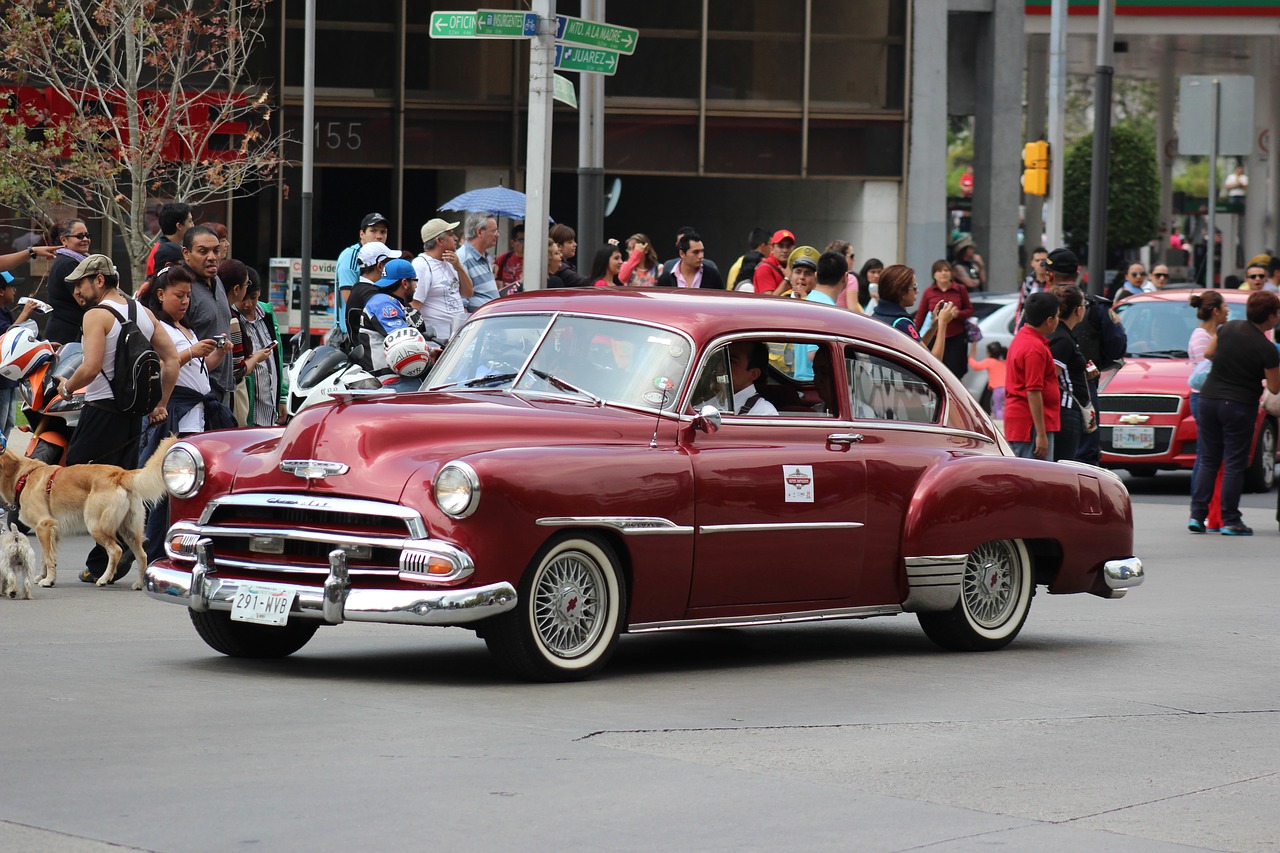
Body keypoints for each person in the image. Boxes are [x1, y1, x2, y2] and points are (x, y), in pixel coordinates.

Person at [55, 254, 179, 583]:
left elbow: (91, 366)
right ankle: (115, 553)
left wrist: (66, 387)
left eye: (81, 284)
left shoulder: (97, 315)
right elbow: (172, 361)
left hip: (100, 412)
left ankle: (106, 554)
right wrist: (159, 404)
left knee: (79, 482)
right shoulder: (143, 312)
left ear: (99, 280)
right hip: (133, 415)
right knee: (122, 486)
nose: (78, 292)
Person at [136, 264, 234, 563]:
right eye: (179, 295)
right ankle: (154, 552)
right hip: (175, 410)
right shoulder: (157, 327)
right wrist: (192, 352)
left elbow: (202, 370)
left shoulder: (186, 328)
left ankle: (182, 545)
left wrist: (217, 352)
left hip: (197, 411)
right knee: (166, 487)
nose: (184, 302)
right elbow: (166, 365)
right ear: (161, 294)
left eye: (189, 296)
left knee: (188, 486)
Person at [1189, 290, 1280, 536]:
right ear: (1270, 317)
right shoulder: (1267, 348)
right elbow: (1274, 386)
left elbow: (1208, 354)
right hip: (1239, 404)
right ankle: (1231, 519)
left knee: (1208, 459)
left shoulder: (1227, 329)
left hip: (1208, 398)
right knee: (1233, 462)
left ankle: (1197, 516)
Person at [178, 226, 234, 404]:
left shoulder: (217, 280)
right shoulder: (181, 288)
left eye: (216, 250)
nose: (212, 257)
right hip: (194, 391)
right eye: (203, 251)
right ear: (186, 253)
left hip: (223, 387)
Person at [1188, 290, 1229, 531]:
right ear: (1215, 310)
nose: (1227, 312)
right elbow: (1205, 372)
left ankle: (1203, 510)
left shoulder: (1211, 333)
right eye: (1224, 307)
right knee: (1206, 456)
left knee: (1207, 455)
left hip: (1208, 397)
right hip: (1204, 397)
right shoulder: (1203, 337)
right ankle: (1200, 510)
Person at [1004, 291, 1061, 460]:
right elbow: (1033, 391)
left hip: (1023, 423)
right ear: (1049, 320)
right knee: (1035, 481)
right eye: (1057, 315)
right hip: (1030, 425)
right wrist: (1041, 434)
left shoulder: (1022, 338)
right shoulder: (1034, 348)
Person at [1047, 285, 1093, 463]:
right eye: (1084, 304)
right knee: (1063, 464)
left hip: (1067, 410)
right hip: (1065, 411)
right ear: (1078, 310)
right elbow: (1052, 376)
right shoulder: (1062, 339)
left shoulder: (1065, 335)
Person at [871, 264, 956, 361]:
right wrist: (943, 323)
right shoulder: (900, 323)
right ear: (901, 292)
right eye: (914, 287)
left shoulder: (877, 314)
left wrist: (933, 326)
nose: (917, 291)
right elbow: (933, 362)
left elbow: (917, 348)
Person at [233, 273, 286, 428]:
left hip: (270, 408)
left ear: (260, 293)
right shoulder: (232, 318)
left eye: (253, 297)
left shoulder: (267, 314)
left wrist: (281, 397)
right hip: (247, 410)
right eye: (244, 299)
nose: (248, 304)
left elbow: (279, 356)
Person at [410, 218, 471, 341]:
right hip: (437, 342)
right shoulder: (421, 265)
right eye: (451, 234)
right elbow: (414, 307)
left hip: (457, 338)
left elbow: (468, 293)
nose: (456, 238)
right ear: (439, 240)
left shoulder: (450, 261)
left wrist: (459, 267)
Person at [914, 259, 973, 380]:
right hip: (935, 336)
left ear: (951, 273)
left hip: (956, 337)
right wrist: (914, 334)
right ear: (934, 275)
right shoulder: (929, 292)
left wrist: (958, 314)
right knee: (935, 370)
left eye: (946, 270)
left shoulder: (960, 289)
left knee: (955, 373)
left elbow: (969, 310)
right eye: (939, 271)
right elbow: (920, 315)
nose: (943, 273)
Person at [334, 212, 390, 336]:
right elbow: (350, 299)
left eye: (383, 232)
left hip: (375, 328)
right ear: (361, 234)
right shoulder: (350, 256)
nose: (379, 236)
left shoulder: (387, 255)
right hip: (351, 333)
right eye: (373, 231)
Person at [361, 258, 420, 372]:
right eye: (415, 281)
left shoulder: (388, 301)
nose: (416, 286)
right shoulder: (383, 304)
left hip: (394, 370)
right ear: (405, 283)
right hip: (384, 377)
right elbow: (404, 343)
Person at [0, 275, 39, 440]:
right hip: (1, 381)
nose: (14, 290)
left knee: (9, 422)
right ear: (1, 291)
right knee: (1, 423)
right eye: (11, 286)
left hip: (7, 379)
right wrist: (25, 313)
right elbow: (7, 337)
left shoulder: (5, 312)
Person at [44, 219, 92, 344]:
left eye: (87, 235)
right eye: (79, 236)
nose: (85, 239)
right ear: (64, 240)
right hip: (66, 336)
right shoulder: (68, 263)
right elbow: (85, 300)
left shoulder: (73, 261)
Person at [344, 240, 394, 338]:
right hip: (369, 352)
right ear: (380, 266)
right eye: (389, 262)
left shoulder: (359, 289)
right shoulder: (372, 294)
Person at [458, 212, 501, 312]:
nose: (498, 235)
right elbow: (461, 302)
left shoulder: (486, 256)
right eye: (494, 231)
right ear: (479, 232)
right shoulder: (462, 258)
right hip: (479, 324)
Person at [656, 231, 725, 289]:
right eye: (696, 252)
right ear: (682, 254)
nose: (701, 256)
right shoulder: (666, 278)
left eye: (702, 251)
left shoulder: (712, 276)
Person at [726, 341, 778, 416]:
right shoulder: (708, 400)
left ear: (753, 374)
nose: (721, 366)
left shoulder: (764, 412)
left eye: (732, 361)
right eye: (722, 359)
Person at [145, 202, 192, 278]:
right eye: (190, 221)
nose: (193, 225)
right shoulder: (166, 251)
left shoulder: (161, 247)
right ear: (179, 226)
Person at [968, 341, 1007, 420]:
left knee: (997, 407)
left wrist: (970, 359)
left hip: (997, 389)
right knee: (1004, 407)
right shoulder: (1004, 362)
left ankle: (999, 422)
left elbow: (976, 366)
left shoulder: (989, 361)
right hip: (1007, 389)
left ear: (989, 353)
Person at [753, 229, 794, 295]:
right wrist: (787, 279)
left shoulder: (794, 267)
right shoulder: (764, 268)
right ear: (772, 249)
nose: (785, 250)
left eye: (788, 246)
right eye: (780, 246)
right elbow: (768, 301)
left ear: (794, 249)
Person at [1016, 246, 1049, 325]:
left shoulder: (1053, 281)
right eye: (1037, 260)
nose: (1041, 264)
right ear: (1032, 263)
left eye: (1044, 260)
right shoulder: (1028, 282)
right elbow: (1022, 307)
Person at [493, 222, 524, 292]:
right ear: (512, 242)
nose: (525, 243)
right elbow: (496, 280)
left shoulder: (533, 259)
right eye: (521, 240)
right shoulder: (504, 258)